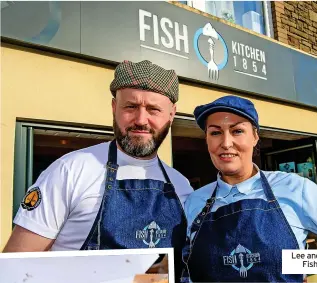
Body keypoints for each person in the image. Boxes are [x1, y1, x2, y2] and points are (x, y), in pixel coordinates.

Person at [3, 60, 193, 279]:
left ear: (171, 114)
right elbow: (14, 269)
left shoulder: (181, 186)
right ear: (114, 107)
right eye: (130, 107)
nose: (141, 120)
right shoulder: (70, 171)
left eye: (153, 109)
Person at [181, 95, 317, 282]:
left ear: (255, 137)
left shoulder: (295, 189)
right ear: (207, 140)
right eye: (215, 133)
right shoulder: (194, 202)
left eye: (237, 131)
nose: (226, 143)